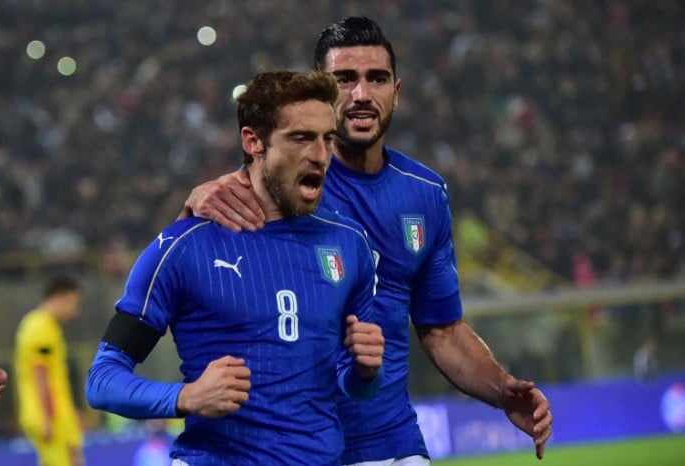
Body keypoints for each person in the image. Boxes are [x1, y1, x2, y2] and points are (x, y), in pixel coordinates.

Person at [181, 17, 553, 465]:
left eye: (376, 79)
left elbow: (442, 330)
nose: (361, 95)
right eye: (344, 80)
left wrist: (502, 390)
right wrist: (191, 207)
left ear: (396, 92)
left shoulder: (424, 193)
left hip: (389, 446)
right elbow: (191, 270)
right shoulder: (271, 185)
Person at [85, 70, 385, 465]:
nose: (320, 155)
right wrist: (184, 397)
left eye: (327, 138)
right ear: (253, 141)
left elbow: (355, 386)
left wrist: (365, 372)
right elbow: (102, 380)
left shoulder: (350, 243)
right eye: (300, 138)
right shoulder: (183, 247)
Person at [14, 276, 84, 466]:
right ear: (59, 298)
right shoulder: (40, 327)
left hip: (57, 411)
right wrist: (46, 417)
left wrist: (70, 410)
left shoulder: (44, 326)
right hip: (51, 414)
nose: (75, 311)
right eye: (73, 303)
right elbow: (40, 372)